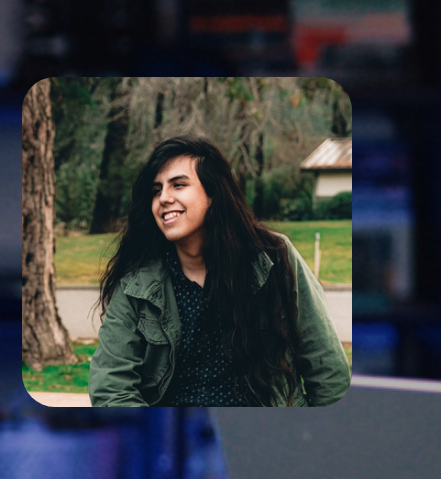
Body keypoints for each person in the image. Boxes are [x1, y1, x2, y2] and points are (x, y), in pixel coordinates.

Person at [89, 136, 350, 407]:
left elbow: (328, 371)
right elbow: (111, 386)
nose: (163, 198)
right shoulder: (136, 280)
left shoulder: (273, 257)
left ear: (213, 195)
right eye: (156, 190)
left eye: (178, 185)